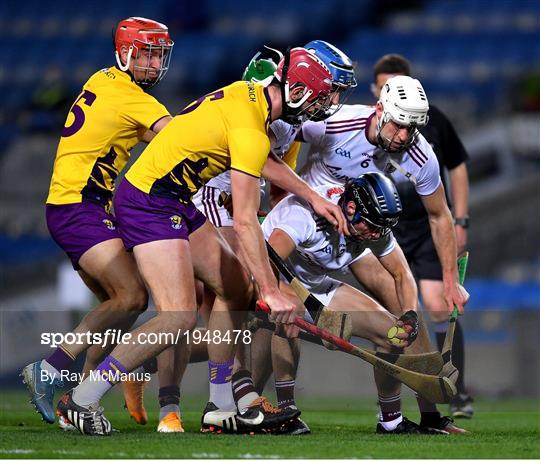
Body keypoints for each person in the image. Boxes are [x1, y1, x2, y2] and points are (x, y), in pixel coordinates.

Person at [54, 47, 349, 436]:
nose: (327, 105)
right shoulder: (251, 127)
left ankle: (221, 405)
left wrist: (310, 197)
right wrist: (271, 291)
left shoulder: (250, 98)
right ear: (297, 91)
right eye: (324, 96)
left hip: (172, 196)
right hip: (148, 201)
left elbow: (262, 160)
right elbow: (245, 222)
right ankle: (82, 399)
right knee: (177, 315)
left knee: (234, 286)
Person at [191, 40, 357, 436]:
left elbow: (275, 167)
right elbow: (256, 157)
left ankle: (234, 399)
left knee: (233, 307)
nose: (334, 99)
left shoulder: (295, 115)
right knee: (239, 296)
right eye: (333, 88)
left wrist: (302, 201)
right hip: (214, 196)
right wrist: (313, 197)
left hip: (236, 200)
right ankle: (232, 400)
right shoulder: (275, 106)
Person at [21, 17, 176, 430]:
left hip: (75, 206)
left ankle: (80, 403)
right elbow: (177, 139)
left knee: (117, 308)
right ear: (124, 53)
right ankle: (51, 370)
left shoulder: (104, 80)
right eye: (145, 53)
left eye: (159, 54)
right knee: (131, 297)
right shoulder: (133, 96)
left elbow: (137, 132)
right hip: (80, 207)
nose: (153, 62)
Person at [292, 74, 469, 432]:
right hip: (303, 229)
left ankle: (427, 415)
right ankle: (247, 401)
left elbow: (440, 215)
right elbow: (277, 138)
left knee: (406, 314)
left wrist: (450, 279)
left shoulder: (420, 154)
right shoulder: (337, 121)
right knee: (257, 317)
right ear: (380, 110)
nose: (404, 136)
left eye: (412, 129)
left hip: (358, 236)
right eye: (399, 125)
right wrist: (277, 196)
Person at [262, 173, 457, 434]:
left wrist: (409, 317)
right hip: (267, 278)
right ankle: (286, 412)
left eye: (381, 228)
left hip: (317, 285)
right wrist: (287, 299)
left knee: (392, 335)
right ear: (351, 208)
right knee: (290, 312)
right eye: (372, 226)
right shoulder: (306, 215)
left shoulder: (373, 223)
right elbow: (267, 261)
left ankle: (391, 420)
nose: (375, 235)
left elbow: (402, 274)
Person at [370, 54, 473, 418]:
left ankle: (454, 389)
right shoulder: (358, 126)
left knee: (437, 302)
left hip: (425, 229)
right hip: (387, 231)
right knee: (396, 313)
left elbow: (457, 167)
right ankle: (400, 408)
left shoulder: (430, 130)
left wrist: (460, 221)